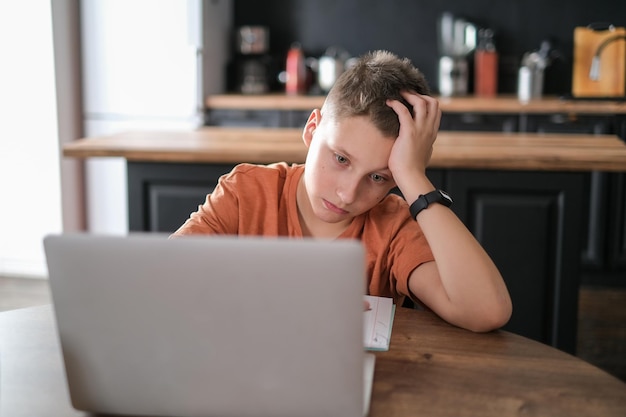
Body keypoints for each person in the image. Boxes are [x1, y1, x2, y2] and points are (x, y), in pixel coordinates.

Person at [173, 50, 512, 332]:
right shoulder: (246, 192)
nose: (348, 194)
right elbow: (167, 278)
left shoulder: (394, 228)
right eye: (340, 158)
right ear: (311, 129)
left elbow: (486, 311)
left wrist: (413, 177)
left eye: (379, 177)